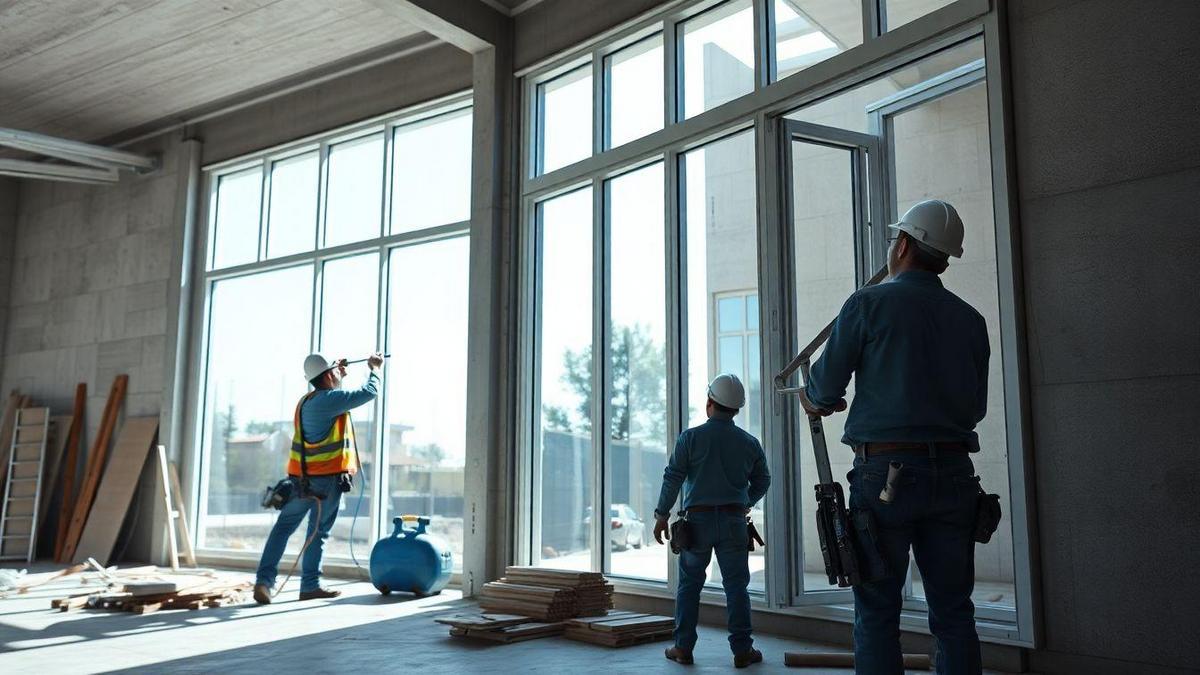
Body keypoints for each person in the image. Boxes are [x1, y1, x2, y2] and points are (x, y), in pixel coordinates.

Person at [800, 199, 989, 674]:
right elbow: (975, 409)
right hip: (955, 477)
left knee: (878, 613)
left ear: (903, 244)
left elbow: (822, 388)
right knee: (954, 613)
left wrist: (817, 400)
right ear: (944, 257)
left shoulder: (869, 303)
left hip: (884, 477)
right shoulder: (971, 320)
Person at [653, 373, 771, 669]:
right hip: (733, 522)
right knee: (736, 587)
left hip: (697, 523)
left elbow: (673, 478)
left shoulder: (690, 438)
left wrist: (661, 515)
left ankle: (682, 647)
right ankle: (743, 650)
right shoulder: (749, 442)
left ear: (709, 402)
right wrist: (746, 501)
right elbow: (763, 480)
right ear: (736, 409)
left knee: (690, 586)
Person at [253, 351, 384, 604]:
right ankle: (310, 585)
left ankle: (264, 582)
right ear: (327, 375)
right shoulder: (329, 400)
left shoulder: (307, 401)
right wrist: (374, 368)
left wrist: (339, 376)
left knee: (282, 529)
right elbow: (368, 393)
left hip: (299, 480)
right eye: (334, 370)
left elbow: (334, 402)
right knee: (318, 532)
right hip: (326, 481)